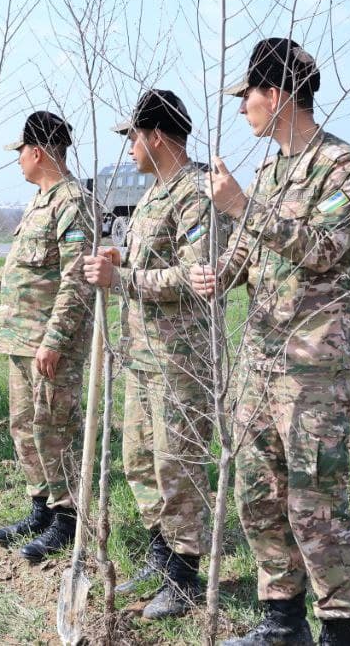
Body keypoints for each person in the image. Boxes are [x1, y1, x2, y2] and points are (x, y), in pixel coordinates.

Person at [191, 39, 350, 646]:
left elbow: (323, 249)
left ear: (275, 95)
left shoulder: (346, 167)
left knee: (315, 504)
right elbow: (251, 250)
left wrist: (243, 206)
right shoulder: (271, 169)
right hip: (261, 359)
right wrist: (219, 274)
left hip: (312, 367)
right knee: (258, 493)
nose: (242, 106)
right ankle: (282, 619)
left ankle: (340, 629)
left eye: (247, 94)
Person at [82, 89, 223, 619]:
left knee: (177, 464)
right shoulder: (155, 193)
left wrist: (123, 277)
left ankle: (185, 575)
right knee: (138, 459)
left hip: (179, 359)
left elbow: (198, 277)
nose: (130, 149)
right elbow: (151, 259)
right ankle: (162, 555)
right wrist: (122, 257)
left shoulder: (194, 193)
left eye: (133, 137)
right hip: (143, 354)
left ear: (156, 135)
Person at [0, 111, 94, 562]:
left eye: (20, 153)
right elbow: (20, 273)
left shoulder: (73, 201)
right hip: (20, 341)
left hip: (49, 346)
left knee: (55, 431)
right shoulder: (38, 202)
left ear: (37, 151)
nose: (18, 162)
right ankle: (42, 508)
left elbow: (76, 280)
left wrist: (54, 339)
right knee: (25, 428)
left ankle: (68, 519)